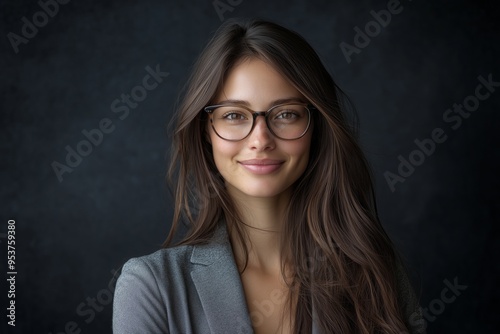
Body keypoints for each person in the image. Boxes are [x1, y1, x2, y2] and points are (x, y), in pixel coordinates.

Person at [113, 18, 425, 334]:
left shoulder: (377, 273)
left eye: (286, 114)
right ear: (206, 130)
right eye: (234, 115)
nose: (260, 139)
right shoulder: (150, 287)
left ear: (315, 127)